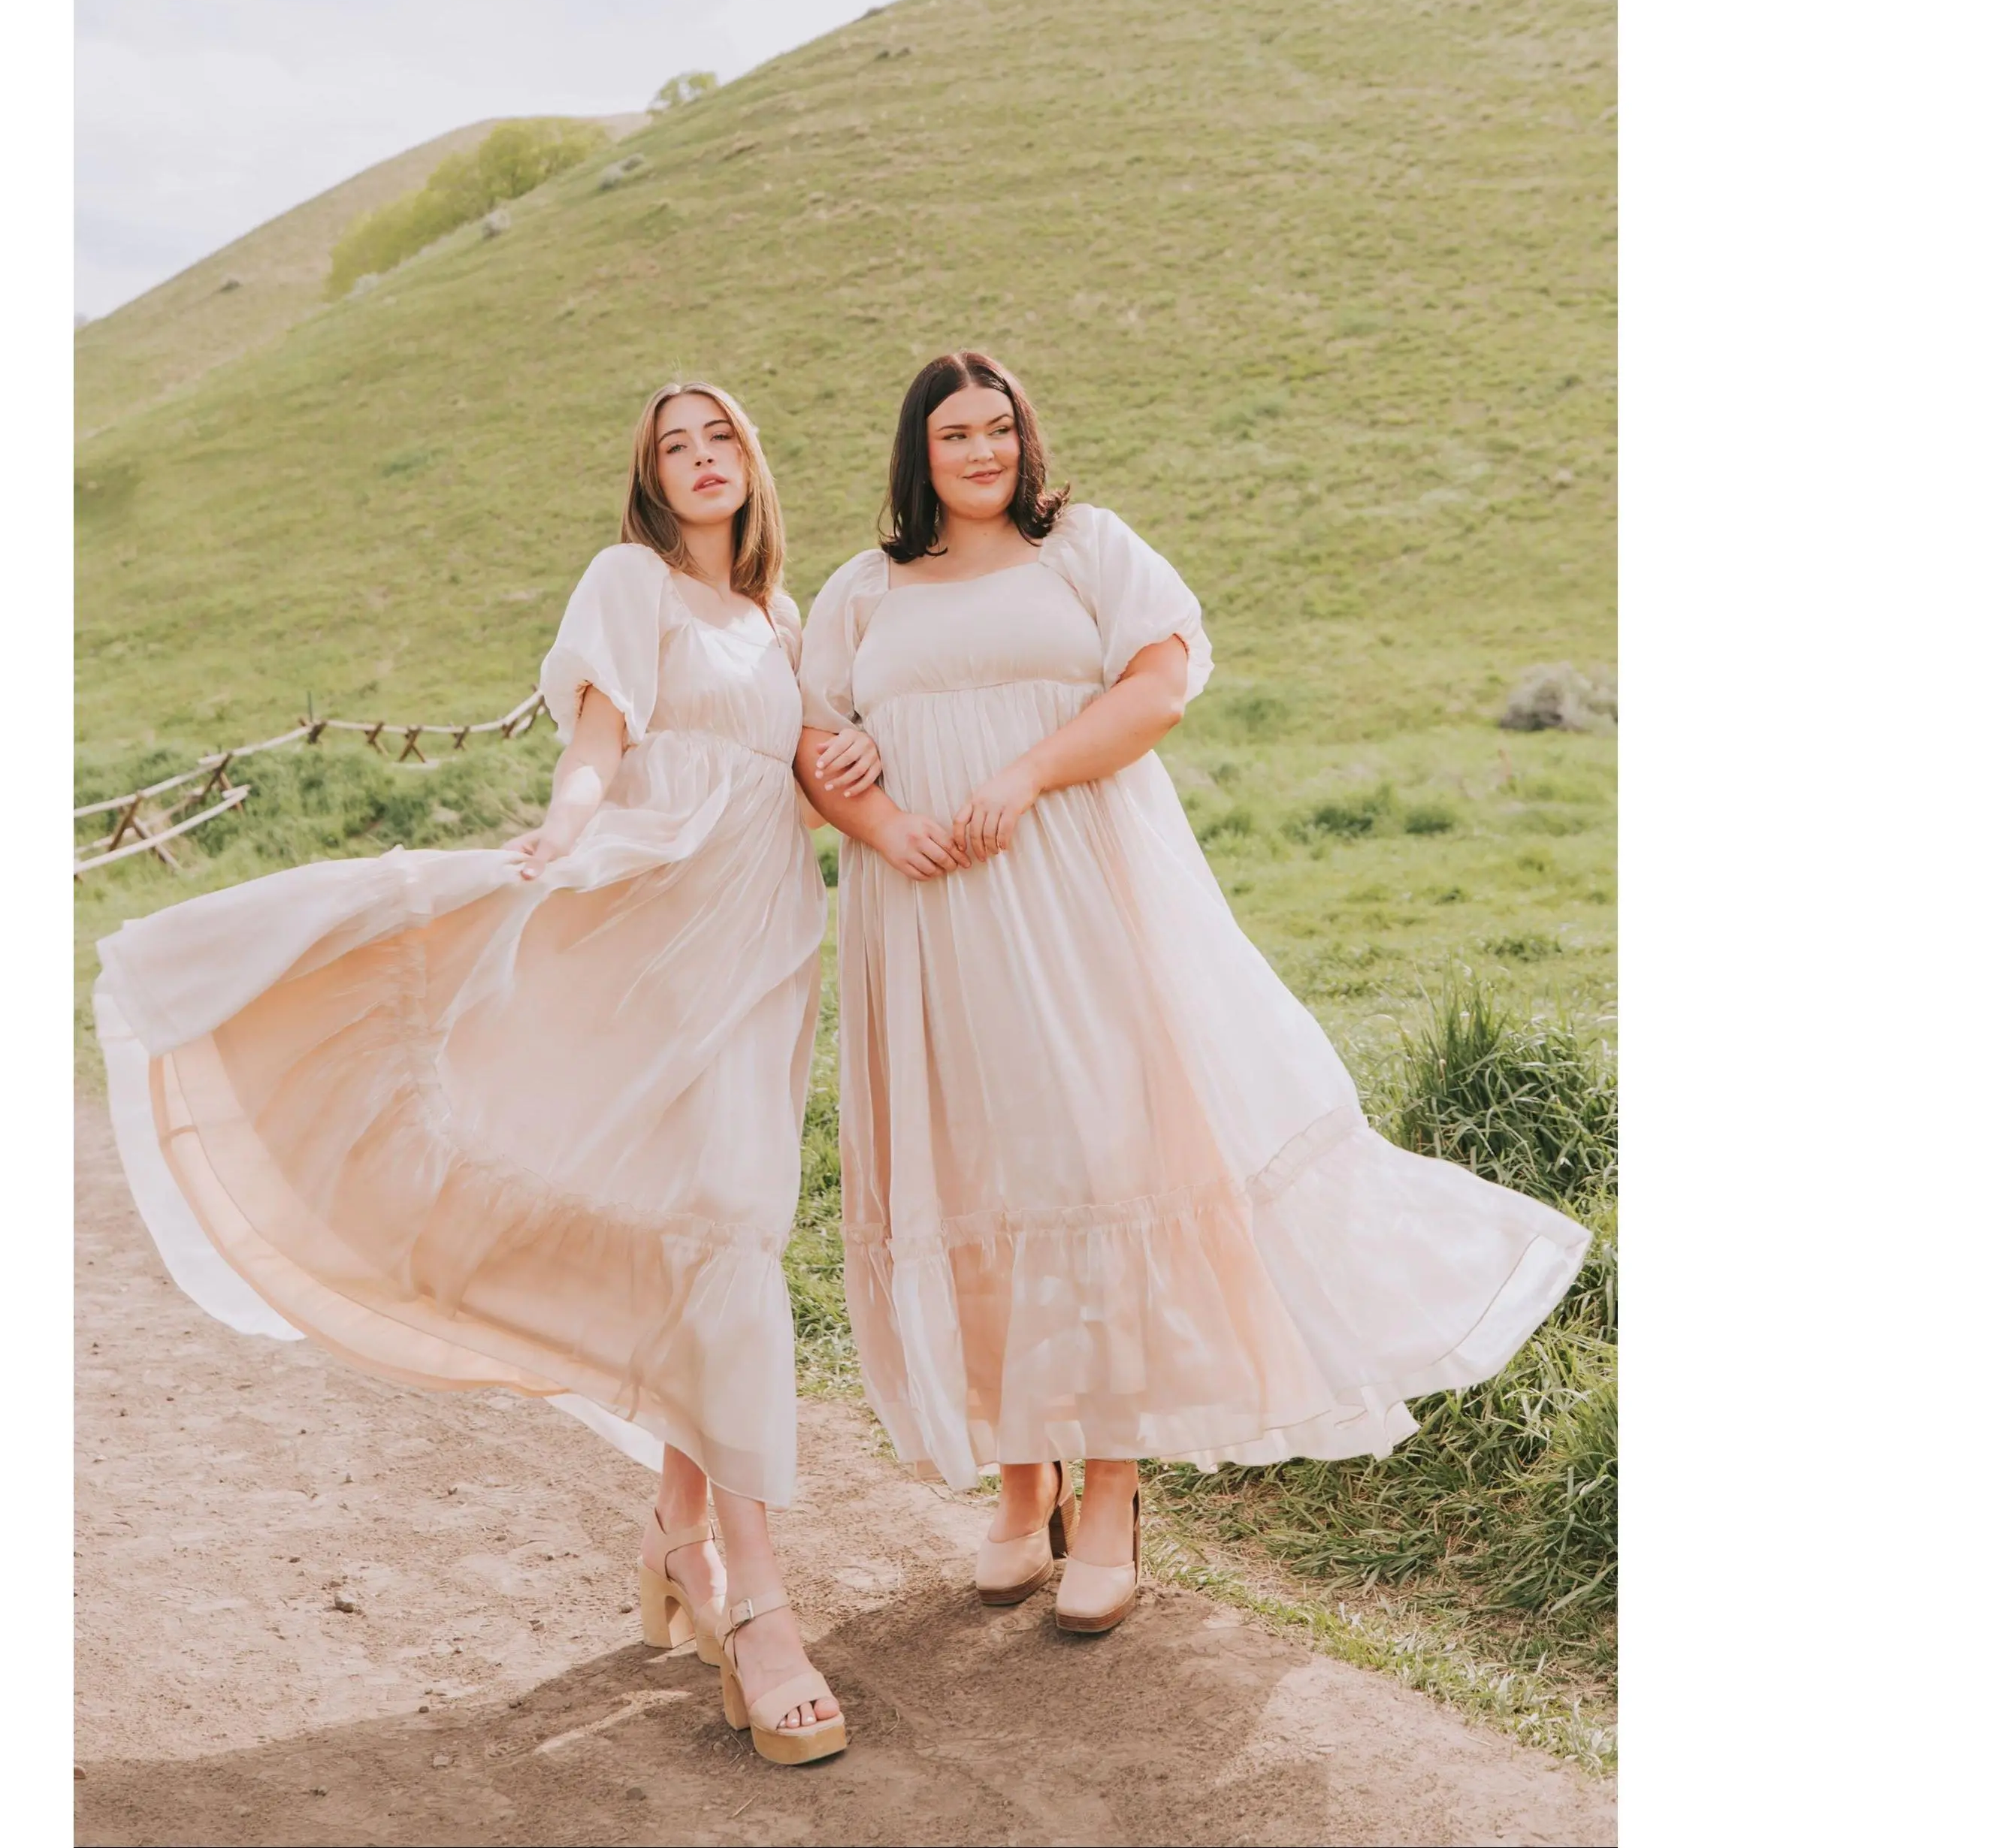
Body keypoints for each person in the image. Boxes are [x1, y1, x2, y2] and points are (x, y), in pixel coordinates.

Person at [95, 380, 845, 1763]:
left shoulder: (778, 617)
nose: (701, 459)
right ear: (651, 478)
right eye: (674, 446)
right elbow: (597, 745)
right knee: (716, 1225)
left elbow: (789, 787)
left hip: (763, 942)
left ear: (751, 460)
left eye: (719, 438)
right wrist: (560, 834)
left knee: (721, 1224)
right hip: (650, 927)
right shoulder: (631, 581)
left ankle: (679, 1534)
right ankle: (761, 1607)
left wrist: (853, 761)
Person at [795, 351, 1588, 1633]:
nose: (983, 450)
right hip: (930, 916)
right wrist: (881, 823)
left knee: (1100, 1163)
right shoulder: (863, 589)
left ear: (1025, 439)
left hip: (1080, 897)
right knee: (975, 1173)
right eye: (955, 433)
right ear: (917, 453)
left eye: (999, 427)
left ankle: (1110, 1485)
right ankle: (1022, 1476)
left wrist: (1024, 774)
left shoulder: (1086, 549)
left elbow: (1157, 688)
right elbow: (810, 737)